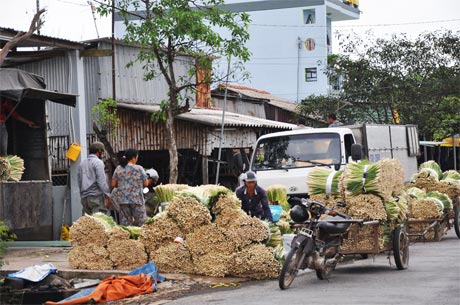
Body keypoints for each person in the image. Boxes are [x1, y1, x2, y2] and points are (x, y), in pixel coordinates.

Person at [111, 148, 149, 226]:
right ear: (134, 157)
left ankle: (127, 238)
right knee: (142, 224)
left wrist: (122, 185)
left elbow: (113, 184)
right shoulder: (139, 168)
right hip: (137, 200)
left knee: (126, 226)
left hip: (123, 201)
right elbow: (146, 184)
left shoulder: (118, 168)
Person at [77, 141, 111, 215]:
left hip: (84, 198)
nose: (102, 153)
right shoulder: (98, 162)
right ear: (99, 151)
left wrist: (82, 195)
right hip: (96, 197)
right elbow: (101, 181)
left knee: (88, 223)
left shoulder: (82, 163)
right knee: (98, 222)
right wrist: (108, 195)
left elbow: (79, 181)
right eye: (102, 151)